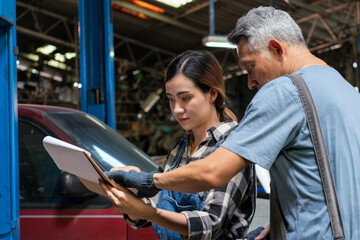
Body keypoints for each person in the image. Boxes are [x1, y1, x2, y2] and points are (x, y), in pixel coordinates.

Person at [104, 6, 360, 239]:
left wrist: (150, 181)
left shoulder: (284, 90)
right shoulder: (344, 89)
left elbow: (211, 172)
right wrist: (282, 223)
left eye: (250, 67)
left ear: (277, 49)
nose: (250, 83)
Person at [101, 50, 256, 240]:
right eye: (171, 99)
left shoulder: (233, 146)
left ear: (212, 94)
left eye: (185, 98)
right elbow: (154, 207)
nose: (177, 109)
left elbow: (210, 225)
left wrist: (148, 212)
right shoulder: (180, 148)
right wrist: (132, 200)